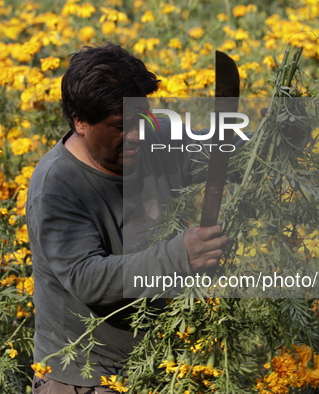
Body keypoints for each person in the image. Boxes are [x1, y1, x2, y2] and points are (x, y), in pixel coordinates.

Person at [26, 42, 229, 393]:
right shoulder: (58, 185)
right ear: (81, 122)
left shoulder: (153, 141)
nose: (138, 136)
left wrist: (280, 135)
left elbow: (224, 153)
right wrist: (179, 256)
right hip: (87, 377)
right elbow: (87, 278)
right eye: (121, 126)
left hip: (162, 362)